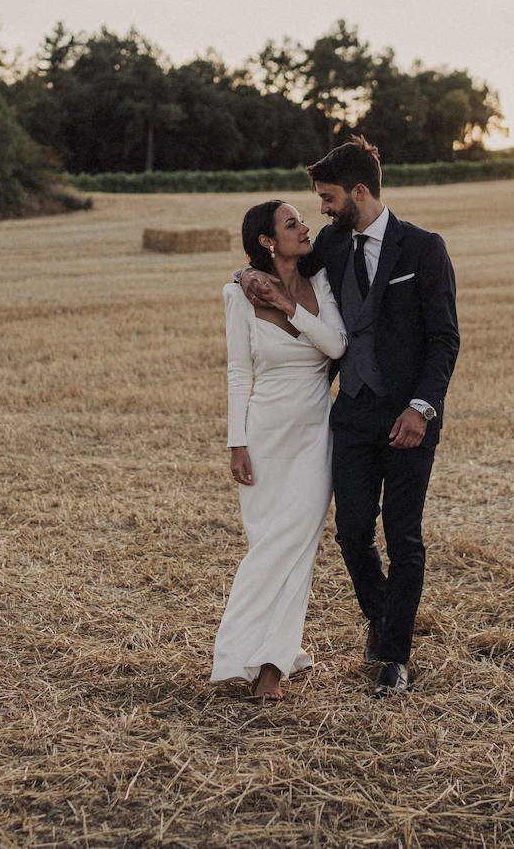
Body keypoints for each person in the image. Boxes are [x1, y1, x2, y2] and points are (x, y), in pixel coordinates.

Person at [242, 137, 459, 696]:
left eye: (328, 197)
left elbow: (444, 339)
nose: (322, 209)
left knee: (403, 537)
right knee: (353, 532)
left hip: (410, 418)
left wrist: (421, 408)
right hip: (354, 415)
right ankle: (384, 614)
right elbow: (279, 264)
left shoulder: (424, 249)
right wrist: (242, 279)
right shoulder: (334, 247)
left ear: (359, 191)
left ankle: (395, 656)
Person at [211, 200, 347, 703]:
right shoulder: (237, 295)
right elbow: (237, 372)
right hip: (264, 435)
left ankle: (266, 664)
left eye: (302, 221)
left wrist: (291, 307)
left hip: (314, 433)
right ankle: (263, 650)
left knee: (297, 546)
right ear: (268, 242)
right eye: (292, 224)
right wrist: (236, 442)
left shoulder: (321, 283)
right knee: (269, 546)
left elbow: (335, 346)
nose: (305, 226)